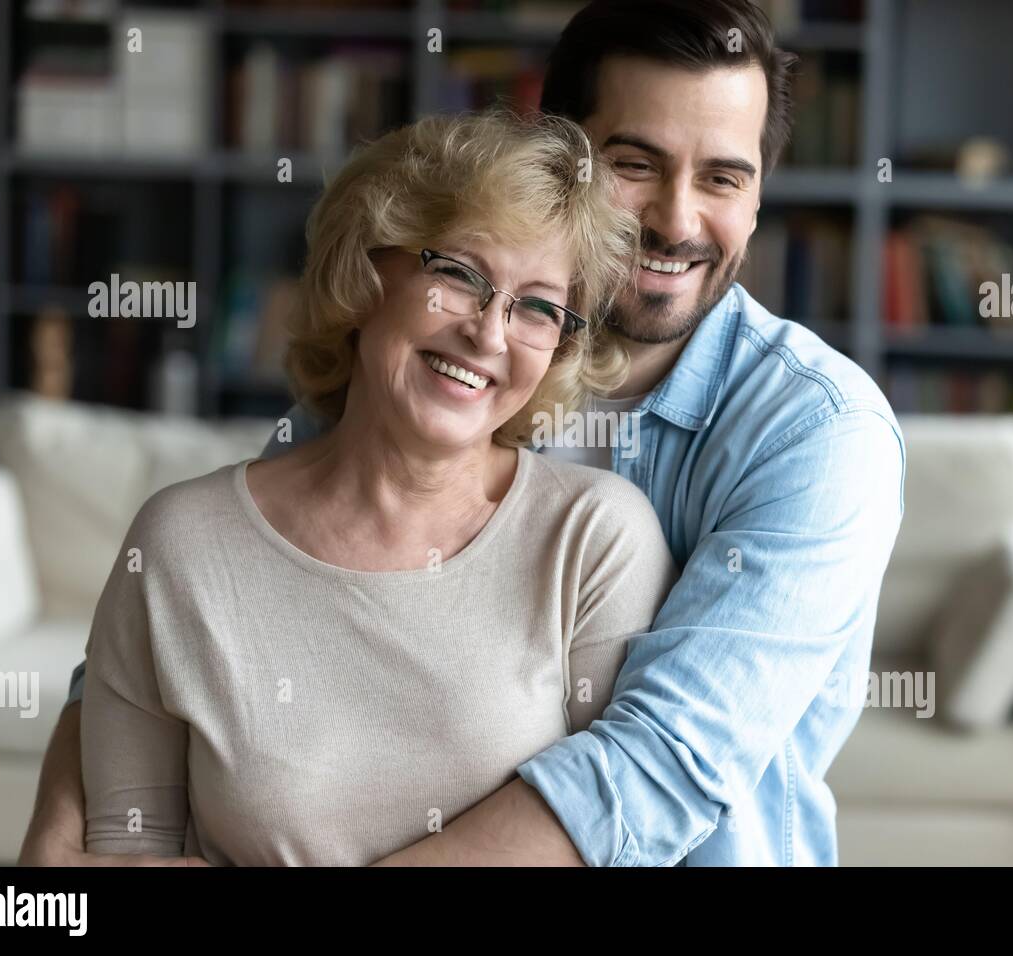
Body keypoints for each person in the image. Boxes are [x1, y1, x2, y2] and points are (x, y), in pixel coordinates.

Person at [21, 0, 905, 868]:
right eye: (636, 162)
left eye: (724, 176)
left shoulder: (819, 434)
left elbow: (655, 769)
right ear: (559, 156)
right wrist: (70, 825)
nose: (676, 220)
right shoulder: (415, 372)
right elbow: (215, 610)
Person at [75, 109, 676, 864]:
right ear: (365, 273)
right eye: (459, 275)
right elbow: (119, 859)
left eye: (537, 307)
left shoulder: (594, 540)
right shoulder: (179, 543)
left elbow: (611, 845)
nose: (490, 334)